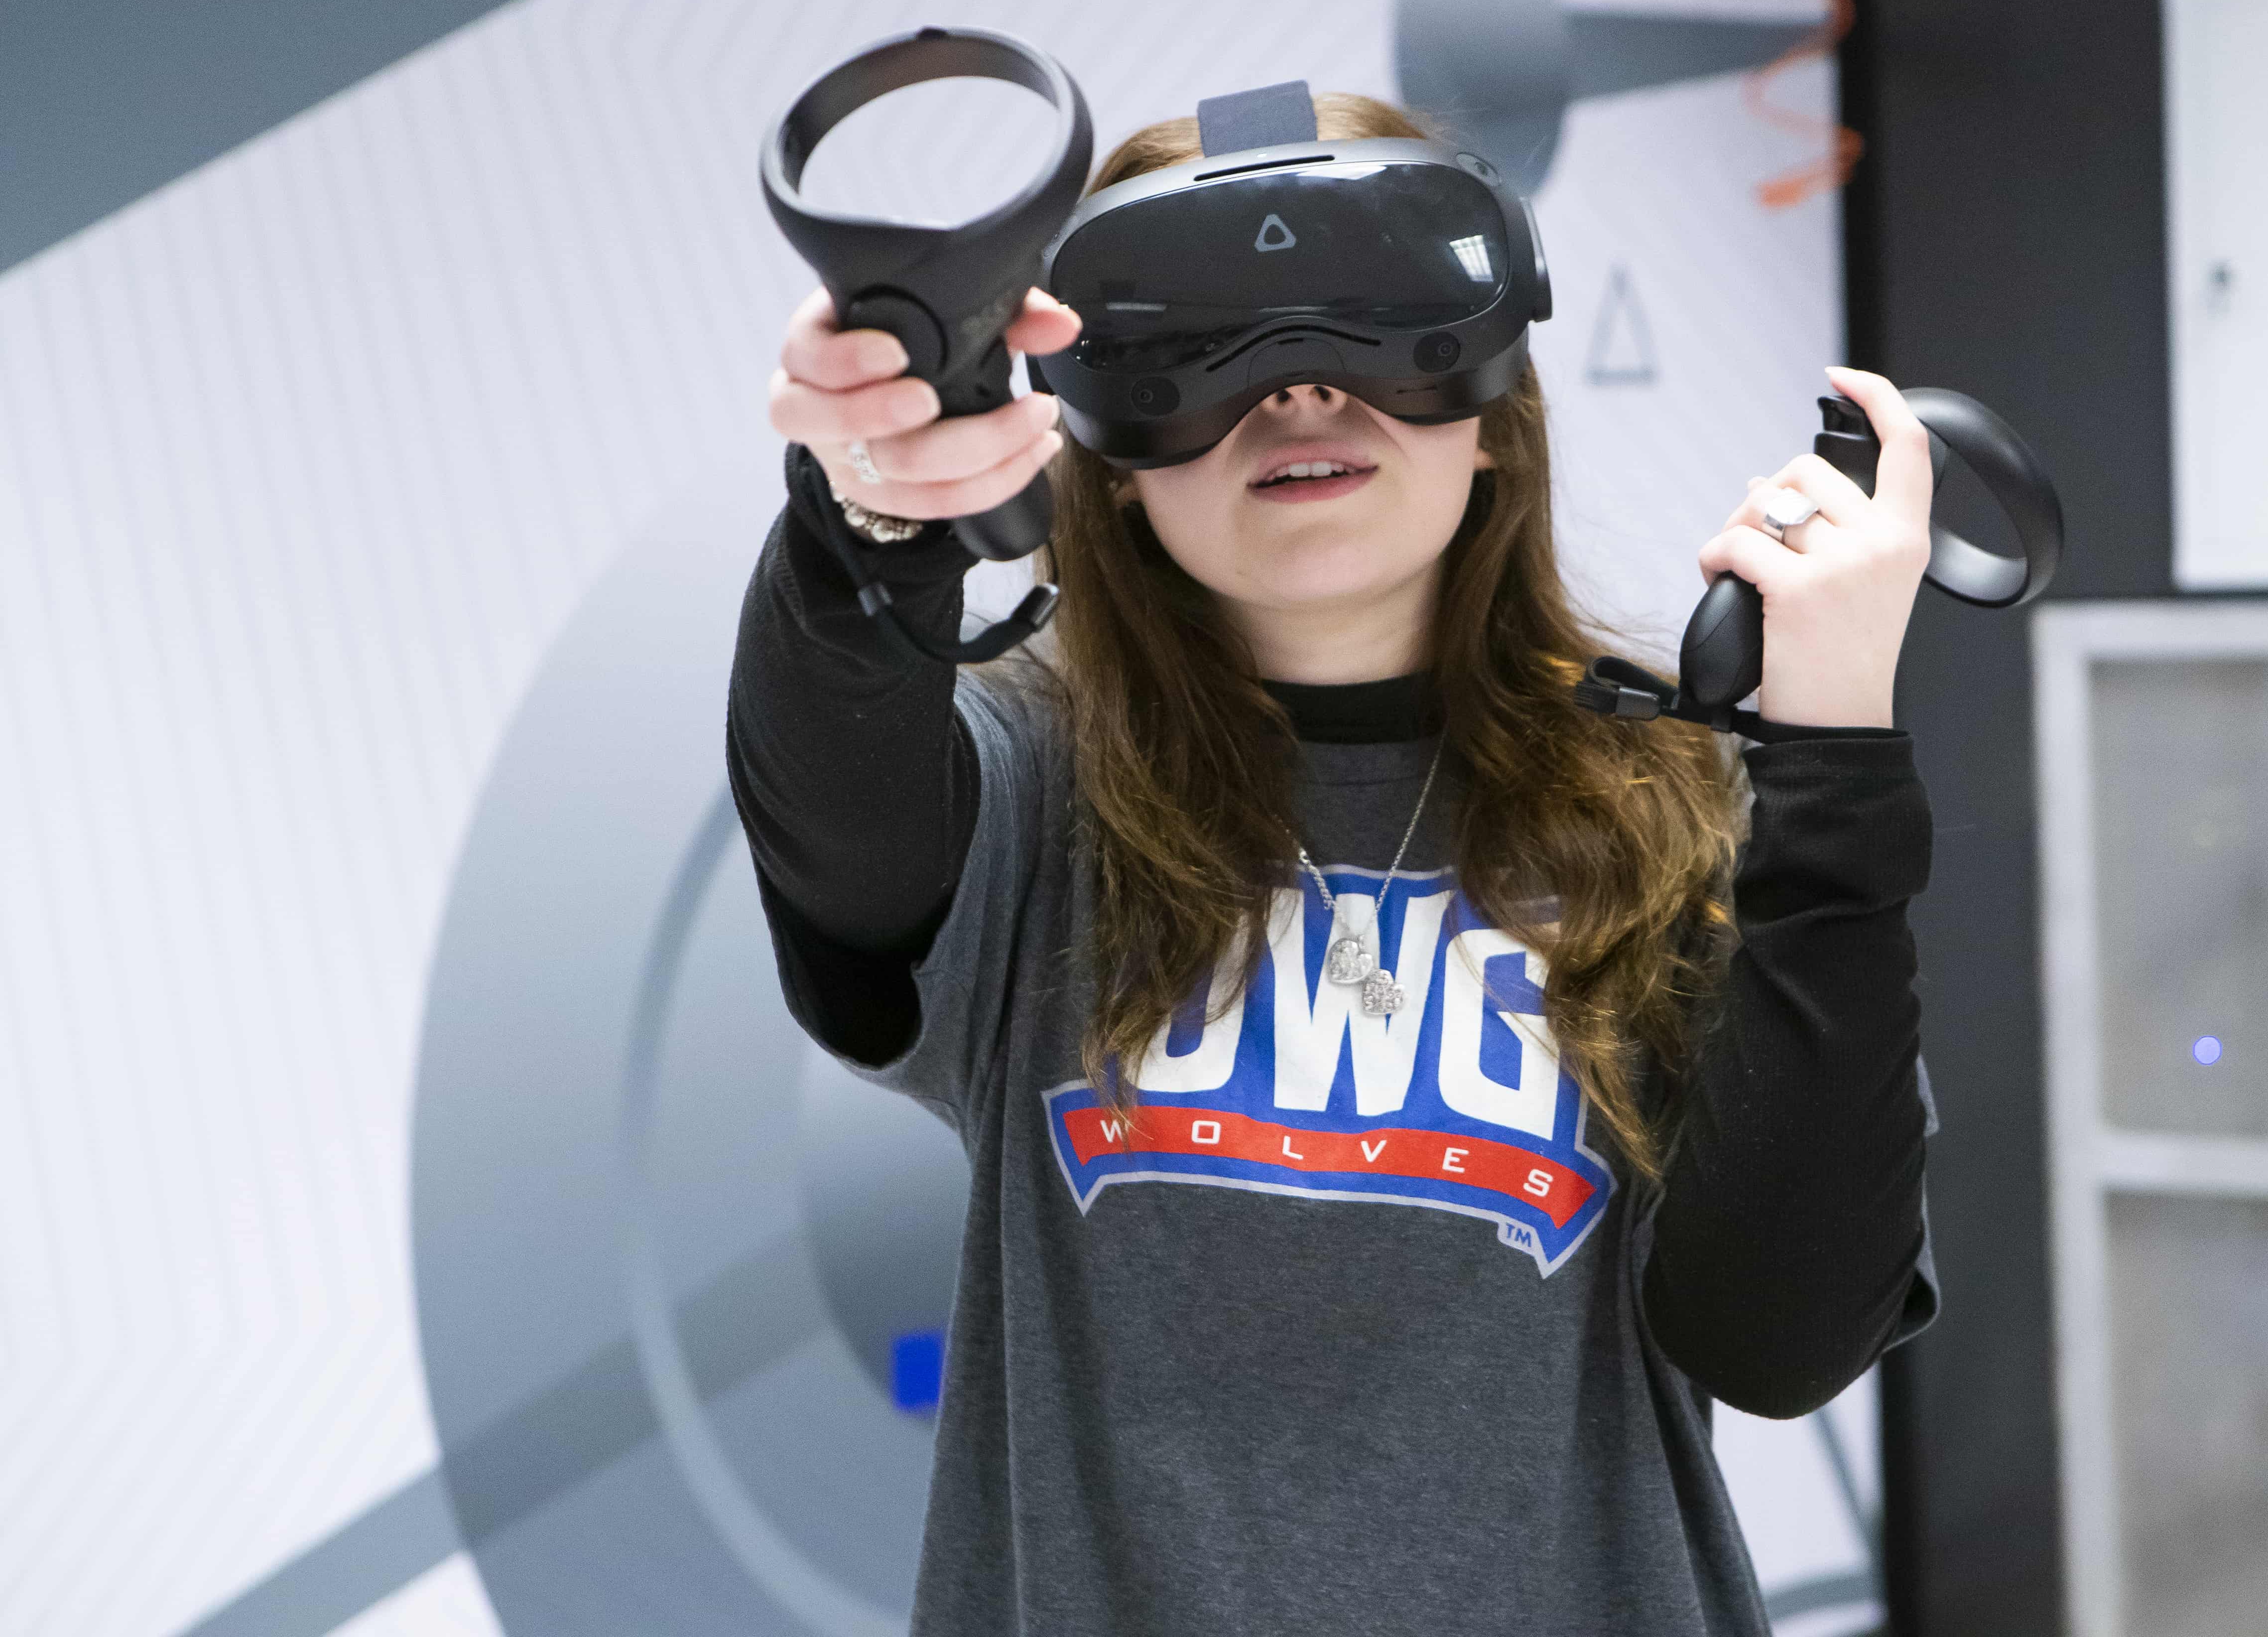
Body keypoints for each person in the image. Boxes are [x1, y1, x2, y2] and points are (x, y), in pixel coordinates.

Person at [727, 93, 1938, 1636]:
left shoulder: (1677, 803)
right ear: (1104, 452)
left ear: (1496, 406)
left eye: (1380, 328)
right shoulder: (1025, 793)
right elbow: (835, 799)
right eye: (1198, 347)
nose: (1299, 394)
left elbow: (1779, 1340)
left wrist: (1832, 764)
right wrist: (870, 527)